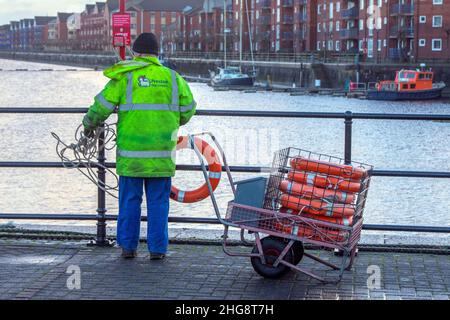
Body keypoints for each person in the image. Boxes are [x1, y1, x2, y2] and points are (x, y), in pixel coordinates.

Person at [82, 33, 196, 260]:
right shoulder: (173, 78)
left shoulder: (125, 77)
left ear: (136, 52)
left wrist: (88, 125)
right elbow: (188, 109)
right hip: (162, 155)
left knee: (129, 202)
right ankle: (157, 250)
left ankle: (128, 247)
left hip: (131, 156)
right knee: (159, 204)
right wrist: (172, 121)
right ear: (156, 53)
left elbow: (101, 107)